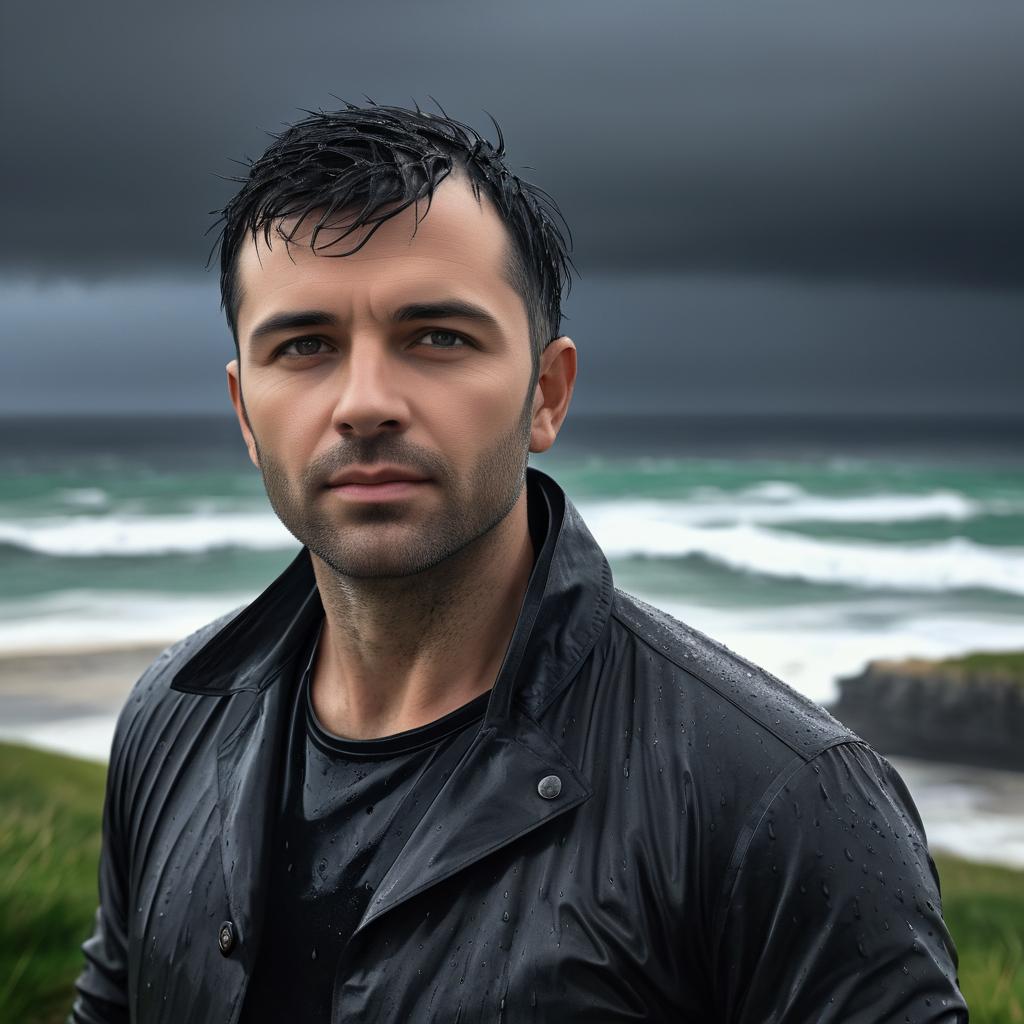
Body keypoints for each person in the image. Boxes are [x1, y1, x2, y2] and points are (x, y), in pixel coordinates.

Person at [70, 102, 969, 1023]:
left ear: (546, 394)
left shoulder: (781, 794)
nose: (366, 403)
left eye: (437, 338)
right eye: (305, 347)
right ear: (245, 414)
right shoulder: (173, 717)